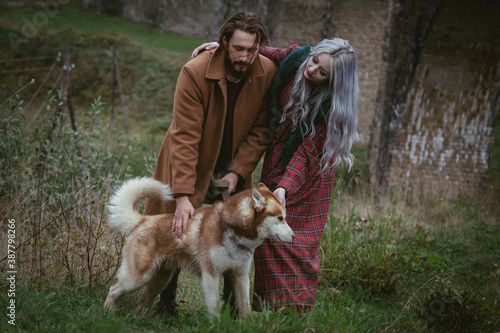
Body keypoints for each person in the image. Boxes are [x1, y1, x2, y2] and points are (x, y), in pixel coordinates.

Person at [192, 37, 359, 312]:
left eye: (322, 72)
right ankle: (268, 310)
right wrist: (220, 47)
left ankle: (294, 314)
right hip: (276, 160)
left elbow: (306, 154)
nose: (312, 69)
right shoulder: (296, 59)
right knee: (268, 237)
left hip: (310, 176)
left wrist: (284, 186)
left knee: (297, 245)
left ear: (334, 82)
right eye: (315, 60)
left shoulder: (330, 108)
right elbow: (260, 50)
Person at [144, 12, 278, 317]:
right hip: (189, 163)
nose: (245, 57)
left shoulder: (267, 71)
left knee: (238, 230)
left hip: (232, 167)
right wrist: (181, 197)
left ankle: (234, 311)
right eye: (238, 49)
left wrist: (237, 172)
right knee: (176, 231)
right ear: (224, 42)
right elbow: (186, 136)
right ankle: (163, 304)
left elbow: (261, 130)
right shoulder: (194, 71)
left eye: (252, 50)